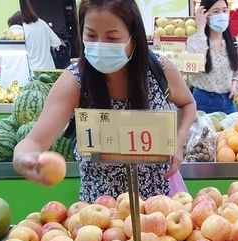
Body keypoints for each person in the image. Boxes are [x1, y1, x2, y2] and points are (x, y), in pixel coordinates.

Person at [12, 0, 196, 202]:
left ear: (133, 37)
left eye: (112, 37)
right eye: (91, 35)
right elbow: (33, 142)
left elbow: (188, 104)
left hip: (158, 211)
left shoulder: (159, 70)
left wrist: (179, 141)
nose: (100, 45)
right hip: (99, 219)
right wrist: (27, 160)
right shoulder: (74, 83)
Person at [187, 0, 238, 114]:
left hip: (228, 101)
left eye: (224, 11)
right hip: (203, 101)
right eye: (216, 11)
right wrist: (200, 28)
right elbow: (194, 69)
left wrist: (234, 84)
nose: (221, 15)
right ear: (205, 15)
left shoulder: (234, 43)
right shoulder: (194, 41)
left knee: (232, 132)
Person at [19, 0, 63, 71]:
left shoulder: (21, 29)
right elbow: (56, 43)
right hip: (49, 71)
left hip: (32, 72)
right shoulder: (42, 23)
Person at [0, 11, 31, 87]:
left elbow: (0, 62)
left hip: (6, 84)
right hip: (26, 83)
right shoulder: (28, 35)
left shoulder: (3, 37)